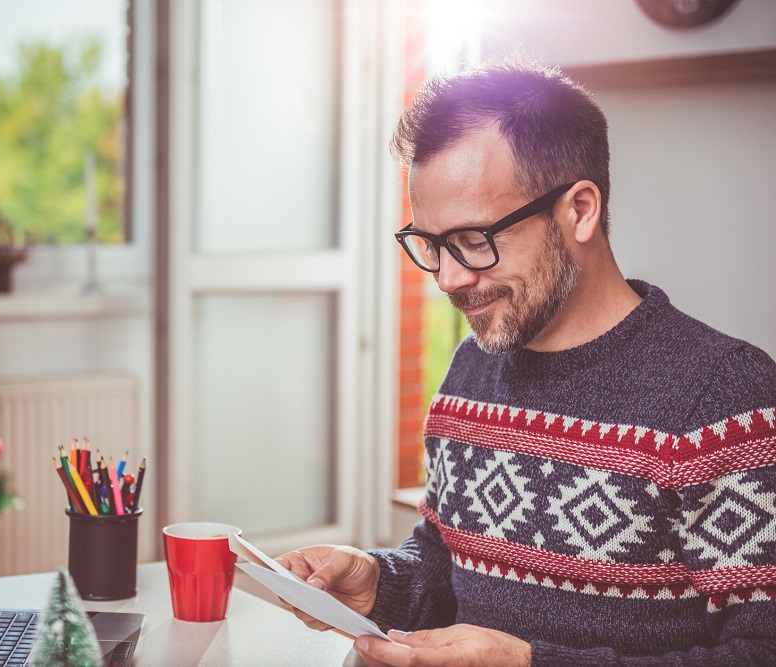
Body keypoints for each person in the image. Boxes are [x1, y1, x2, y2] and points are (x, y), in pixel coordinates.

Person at [276, 55, 776, 666]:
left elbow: (759, 653)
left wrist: (527, 663)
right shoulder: (471, 370)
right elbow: (444, 563)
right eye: (431, 245)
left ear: (580, 210)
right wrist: (378, 580)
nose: (449, 279)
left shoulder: (726, 397)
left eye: (474, 240)